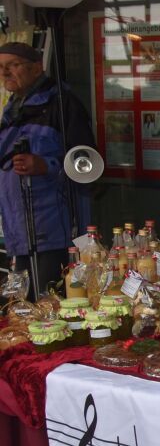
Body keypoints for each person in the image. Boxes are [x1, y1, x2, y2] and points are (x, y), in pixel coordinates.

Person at [0, 42, 94, 299]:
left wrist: (46, 166)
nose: (5, 73)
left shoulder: (62, 105)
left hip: (55, 229)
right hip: (19, 231)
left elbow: (86, 164)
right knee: (24, 306)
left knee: (50, 303)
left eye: (13, 65)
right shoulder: (12, 110)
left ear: (37, 68)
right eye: (1, 67)